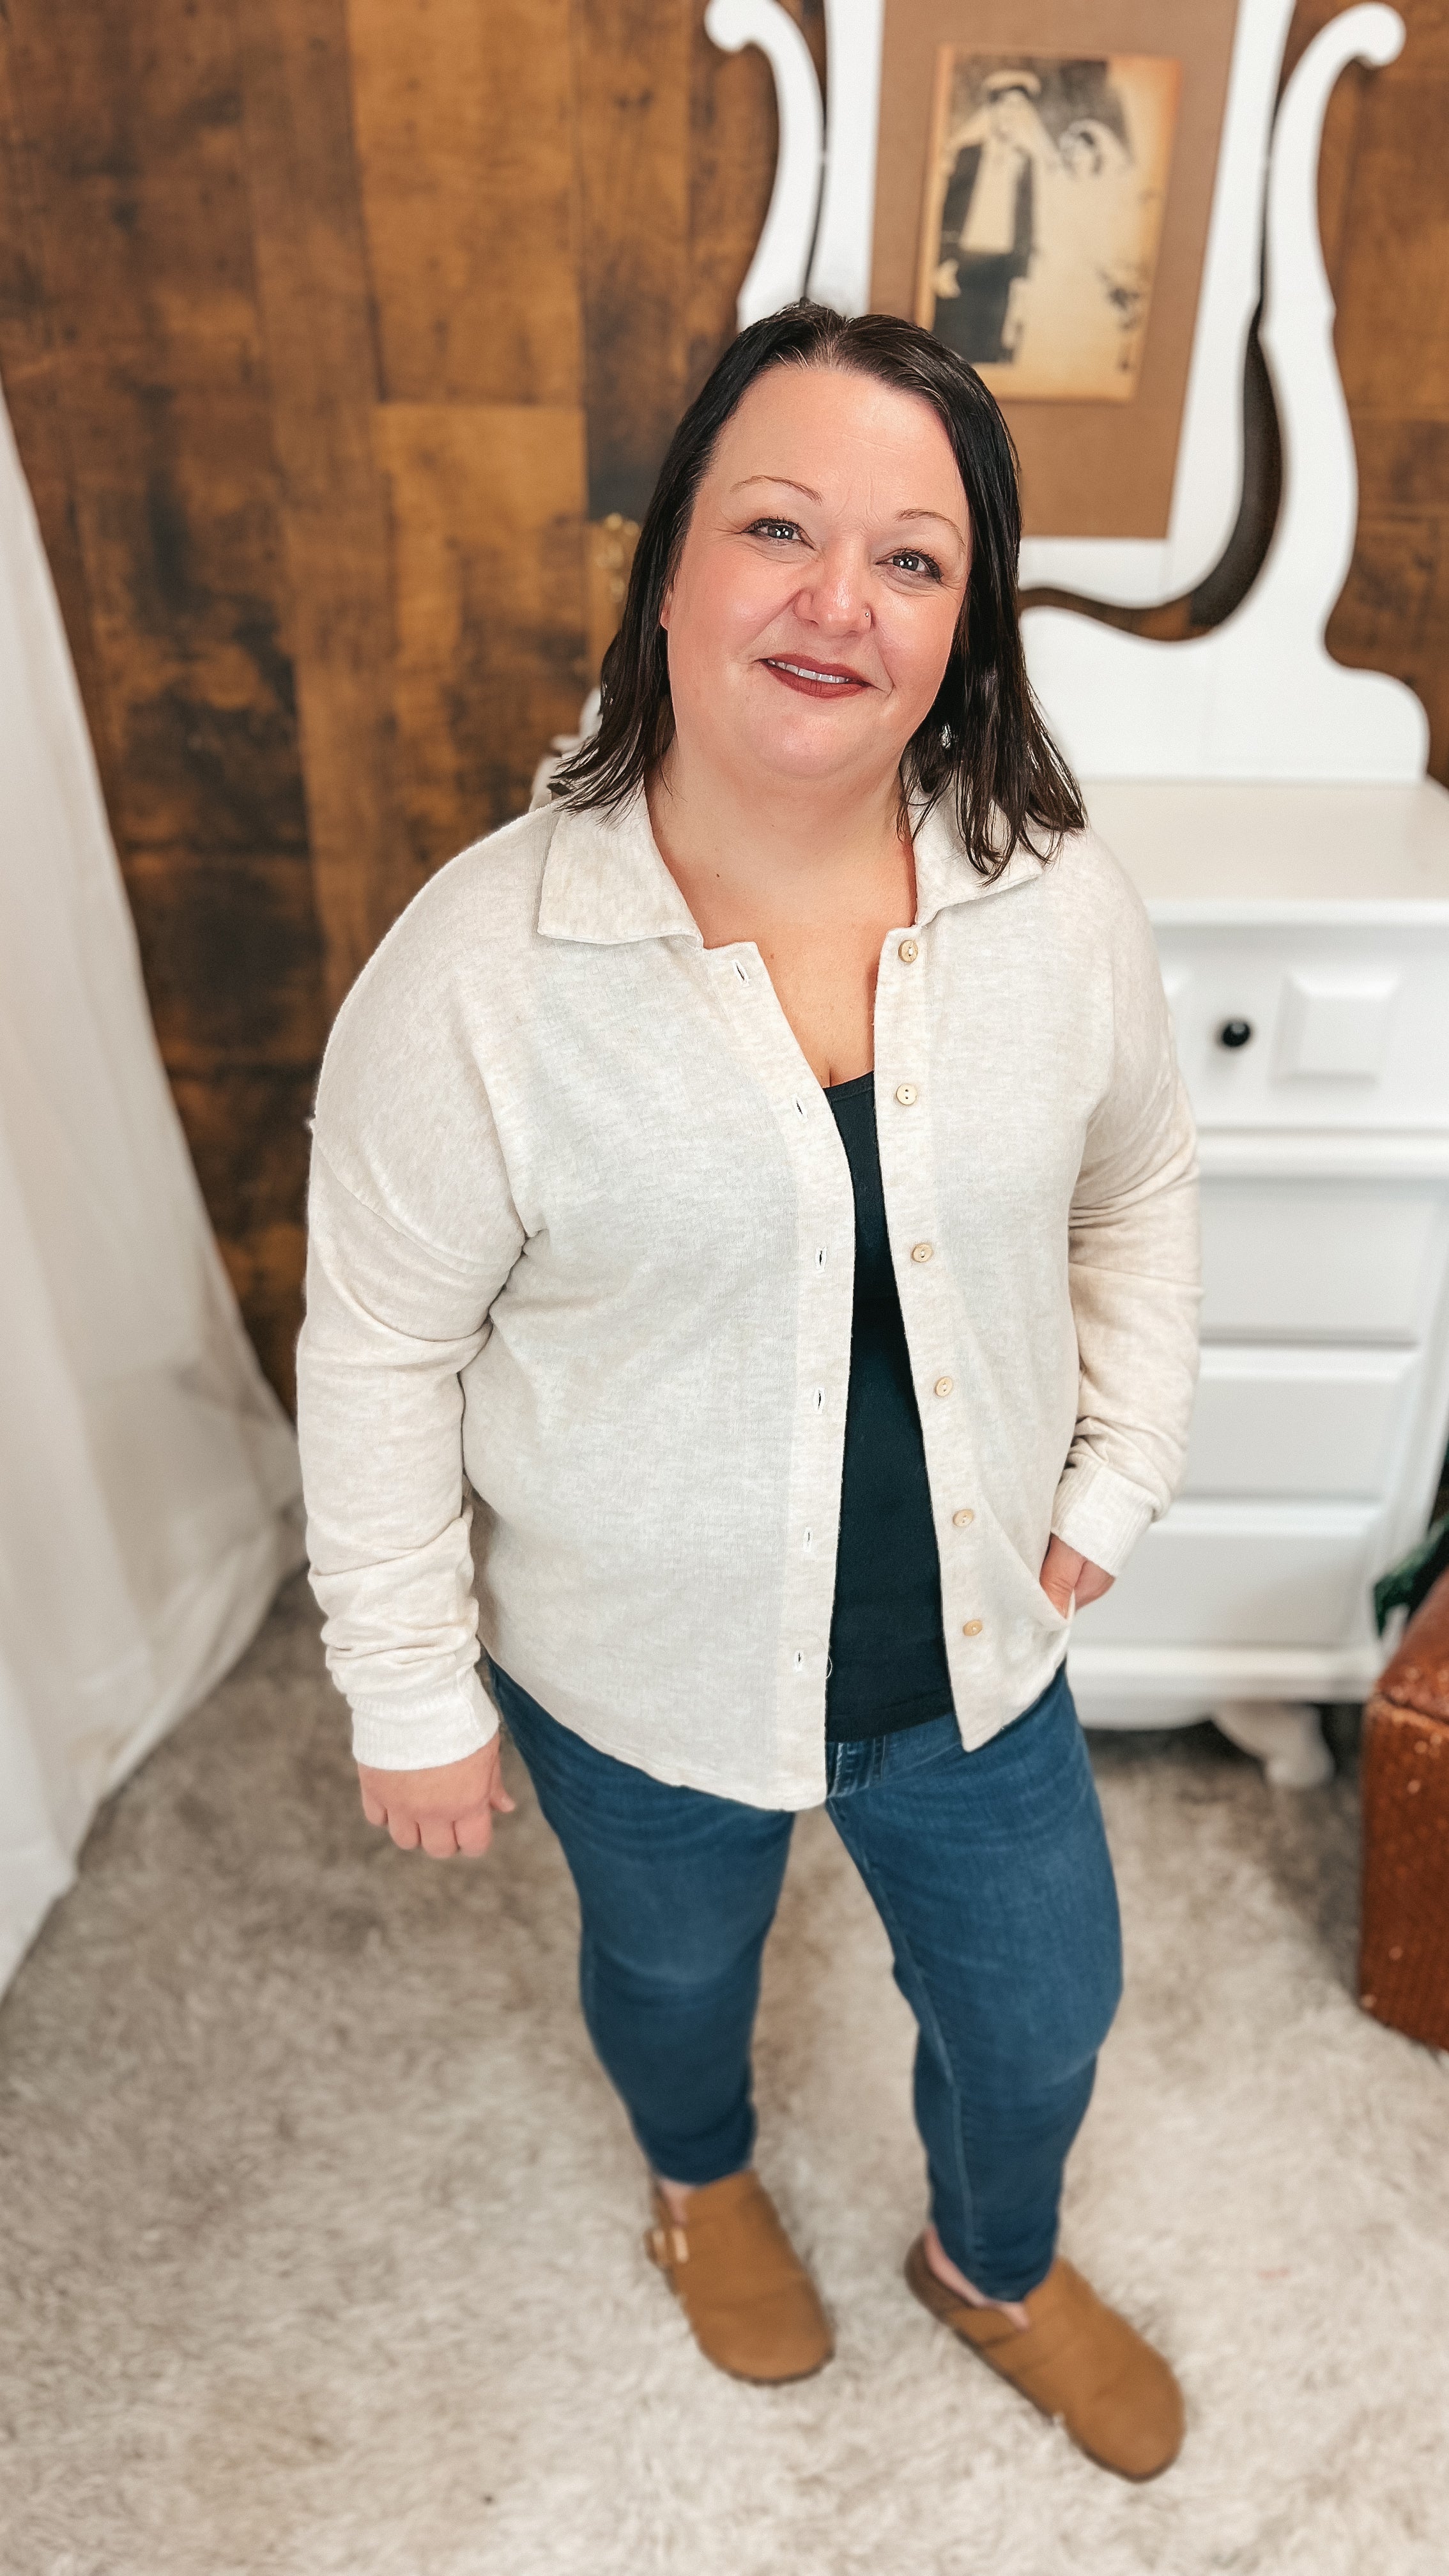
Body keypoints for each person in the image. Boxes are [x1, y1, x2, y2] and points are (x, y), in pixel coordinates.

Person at [297, 303, 1200, 2483]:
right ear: (671, 568)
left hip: (967, 1642)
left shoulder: (1056, 905)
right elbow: (381, 1348)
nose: (836, 600)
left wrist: (1117, 1463)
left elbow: (1137, 1188)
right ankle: (698, 2181)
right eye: (778, 527)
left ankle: (989, 2261)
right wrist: (408, 1684)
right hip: (631, 1669)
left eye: (910, 557)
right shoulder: (478, 972)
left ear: (962, 626)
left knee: (1039, 2011)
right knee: (673, 1975)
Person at [930, 72, 1057, 365]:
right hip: (965, 263)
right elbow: (948, 213)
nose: (1011, 115)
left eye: (1019, 108)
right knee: (951, 352)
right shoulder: (968, 155)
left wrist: (1022, 276)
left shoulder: (1026, 161)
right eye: (1005, 106)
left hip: (1001, 270)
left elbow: (1027, 224)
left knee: (989, 351)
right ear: (993, 110)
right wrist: (945, 262)